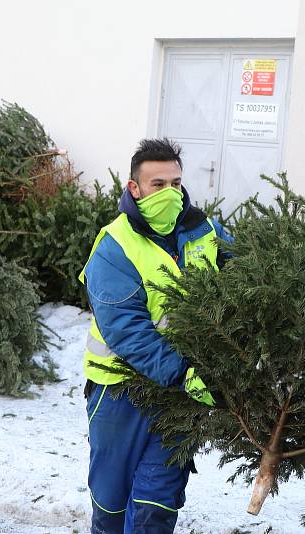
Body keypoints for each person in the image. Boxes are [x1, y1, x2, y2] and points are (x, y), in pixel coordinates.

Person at [78, 138, 231, 533]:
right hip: (119, 392)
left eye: (176, 183)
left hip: (178, 399)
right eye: (157, 184)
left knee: (155, 507)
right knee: (110, 507)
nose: (169, 193)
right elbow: (127, 330)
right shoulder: (114, 247)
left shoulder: (205, 231)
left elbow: (248, 282)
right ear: (135, 188)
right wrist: (184, 373)